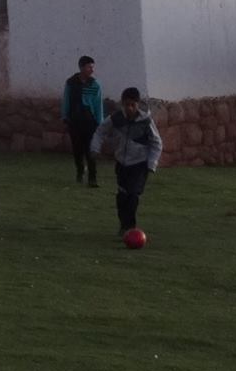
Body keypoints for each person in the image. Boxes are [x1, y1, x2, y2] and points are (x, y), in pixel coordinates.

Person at [92, 86, 162, 240]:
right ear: (122, 104)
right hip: (122, 163)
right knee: (122, 196)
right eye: (126, 105)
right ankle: (124, 224)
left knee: (133, 194)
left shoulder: (146, 121)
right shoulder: (116, 118)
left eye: (132, 105)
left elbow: (156, 143)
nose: (129, 108)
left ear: (138, 104)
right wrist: (95, 148)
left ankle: (130, 227)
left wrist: (152, 163)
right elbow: (100, 131)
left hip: (140, 164)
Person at [62, 55, 104, 187]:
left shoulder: (95, 84)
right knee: (77, 149)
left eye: (92, 67)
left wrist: (100, 122)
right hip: (74, 120)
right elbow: (66, 100)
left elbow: (98, 104)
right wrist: (65, 116)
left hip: (89, 120)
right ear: (81, 67)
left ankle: (92, 177)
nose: (92, 70)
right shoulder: (71, 83)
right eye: (89, 67)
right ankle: (80, 170)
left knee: (90, 149)